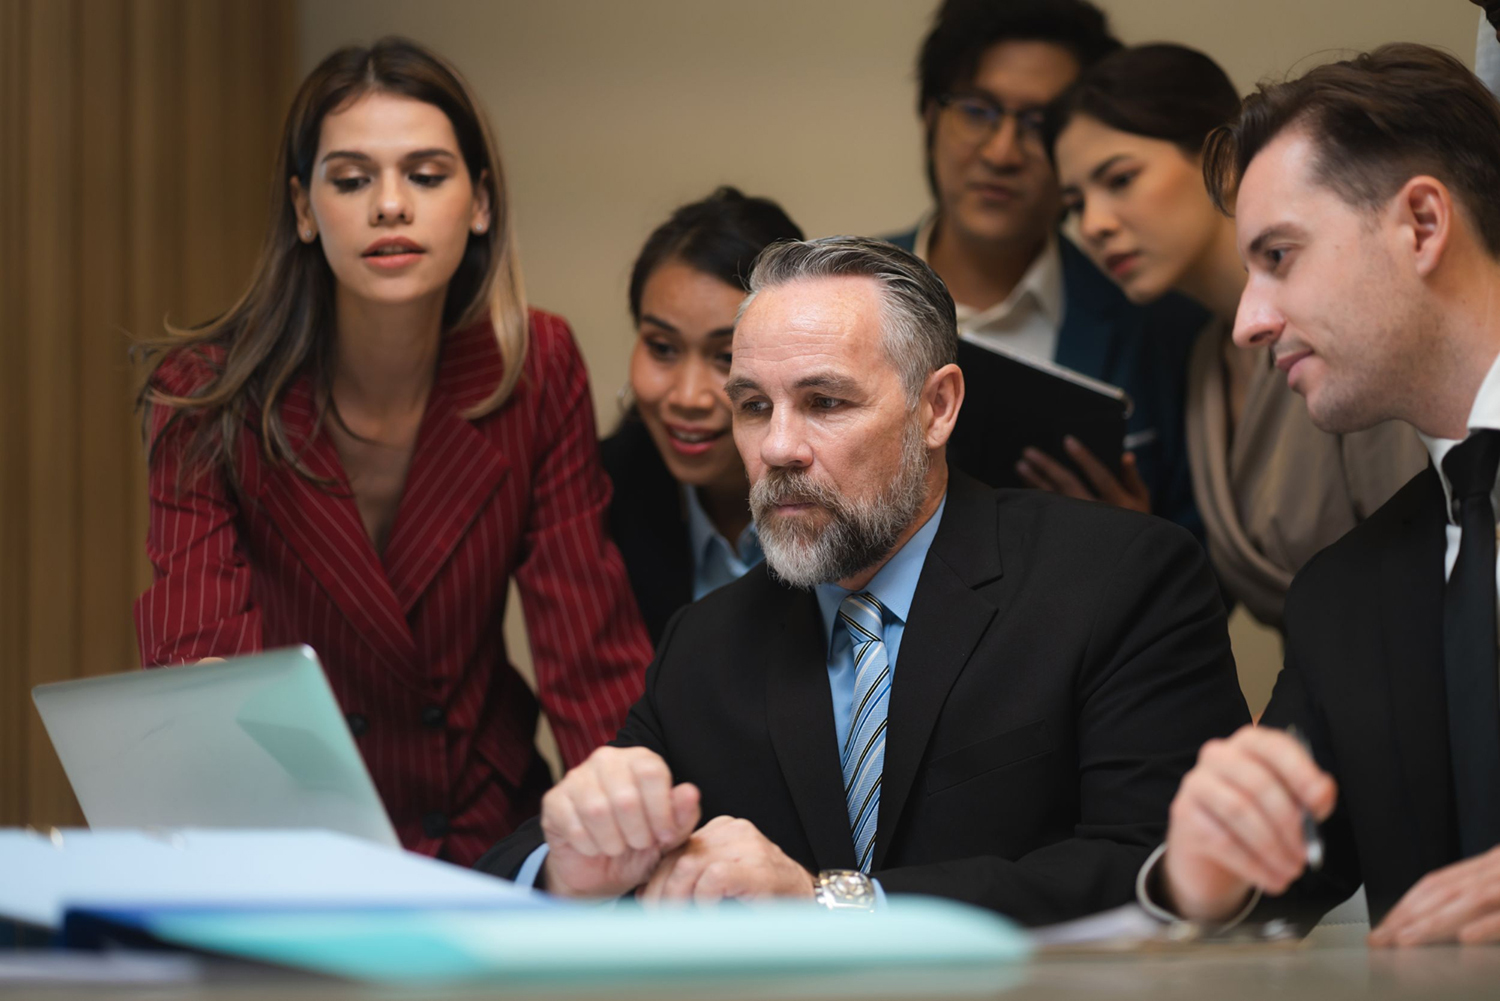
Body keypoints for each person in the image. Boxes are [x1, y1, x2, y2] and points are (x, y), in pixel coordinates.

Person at [477, 236, 1249, 924]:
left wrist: (834, 902)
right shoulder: (707, 642)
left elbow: (1163, 865)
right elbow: (509, 868)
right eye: (753, 406)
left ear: (937, 406)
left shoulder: (1119, 577)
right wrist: (571, 870)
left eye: (824, 402)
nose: (777, 447)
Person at [132, 38, 652, 865]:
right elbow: (199, 673)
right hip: (288, 831)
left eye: (426, 174)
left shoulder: (535, 365)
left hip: (484, 824)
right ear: (304, 210)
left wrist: (638, 835)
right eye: (351, 178)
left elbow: (586, 648)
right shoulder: (207, 392)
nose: (389, 206)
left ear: (480, 202)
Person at [1141, 44, 1500, 944]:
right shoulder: (1343, 599)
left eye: (1280, 255)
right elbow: (1274, 882)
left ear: (1421, 223)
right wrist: (1200, 874)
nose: (1248, 320)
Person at [1047, 44, 1427, 630]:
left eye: (1120, 179)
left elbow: (1433, 561)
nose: (1093, 223)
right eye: (1075, 204)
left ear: (1220, 160)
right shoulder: (1203, 363)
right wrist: (1138, 539)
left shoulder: (1346, 321)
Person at [886, 0, 1204, 534]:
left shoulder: (1160, 323)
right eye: (977, 109)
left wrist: (1139, 545)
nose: (1003, 152)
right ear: (929, 116)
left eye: (1040, 122)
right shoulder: (832, 290)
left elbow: (1205, 570)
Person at [603, 188, 804, 644]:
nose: (689, 396)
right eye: (662, 348)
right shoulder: (599, 496)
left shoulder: (852, 494)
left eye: (727, 355)